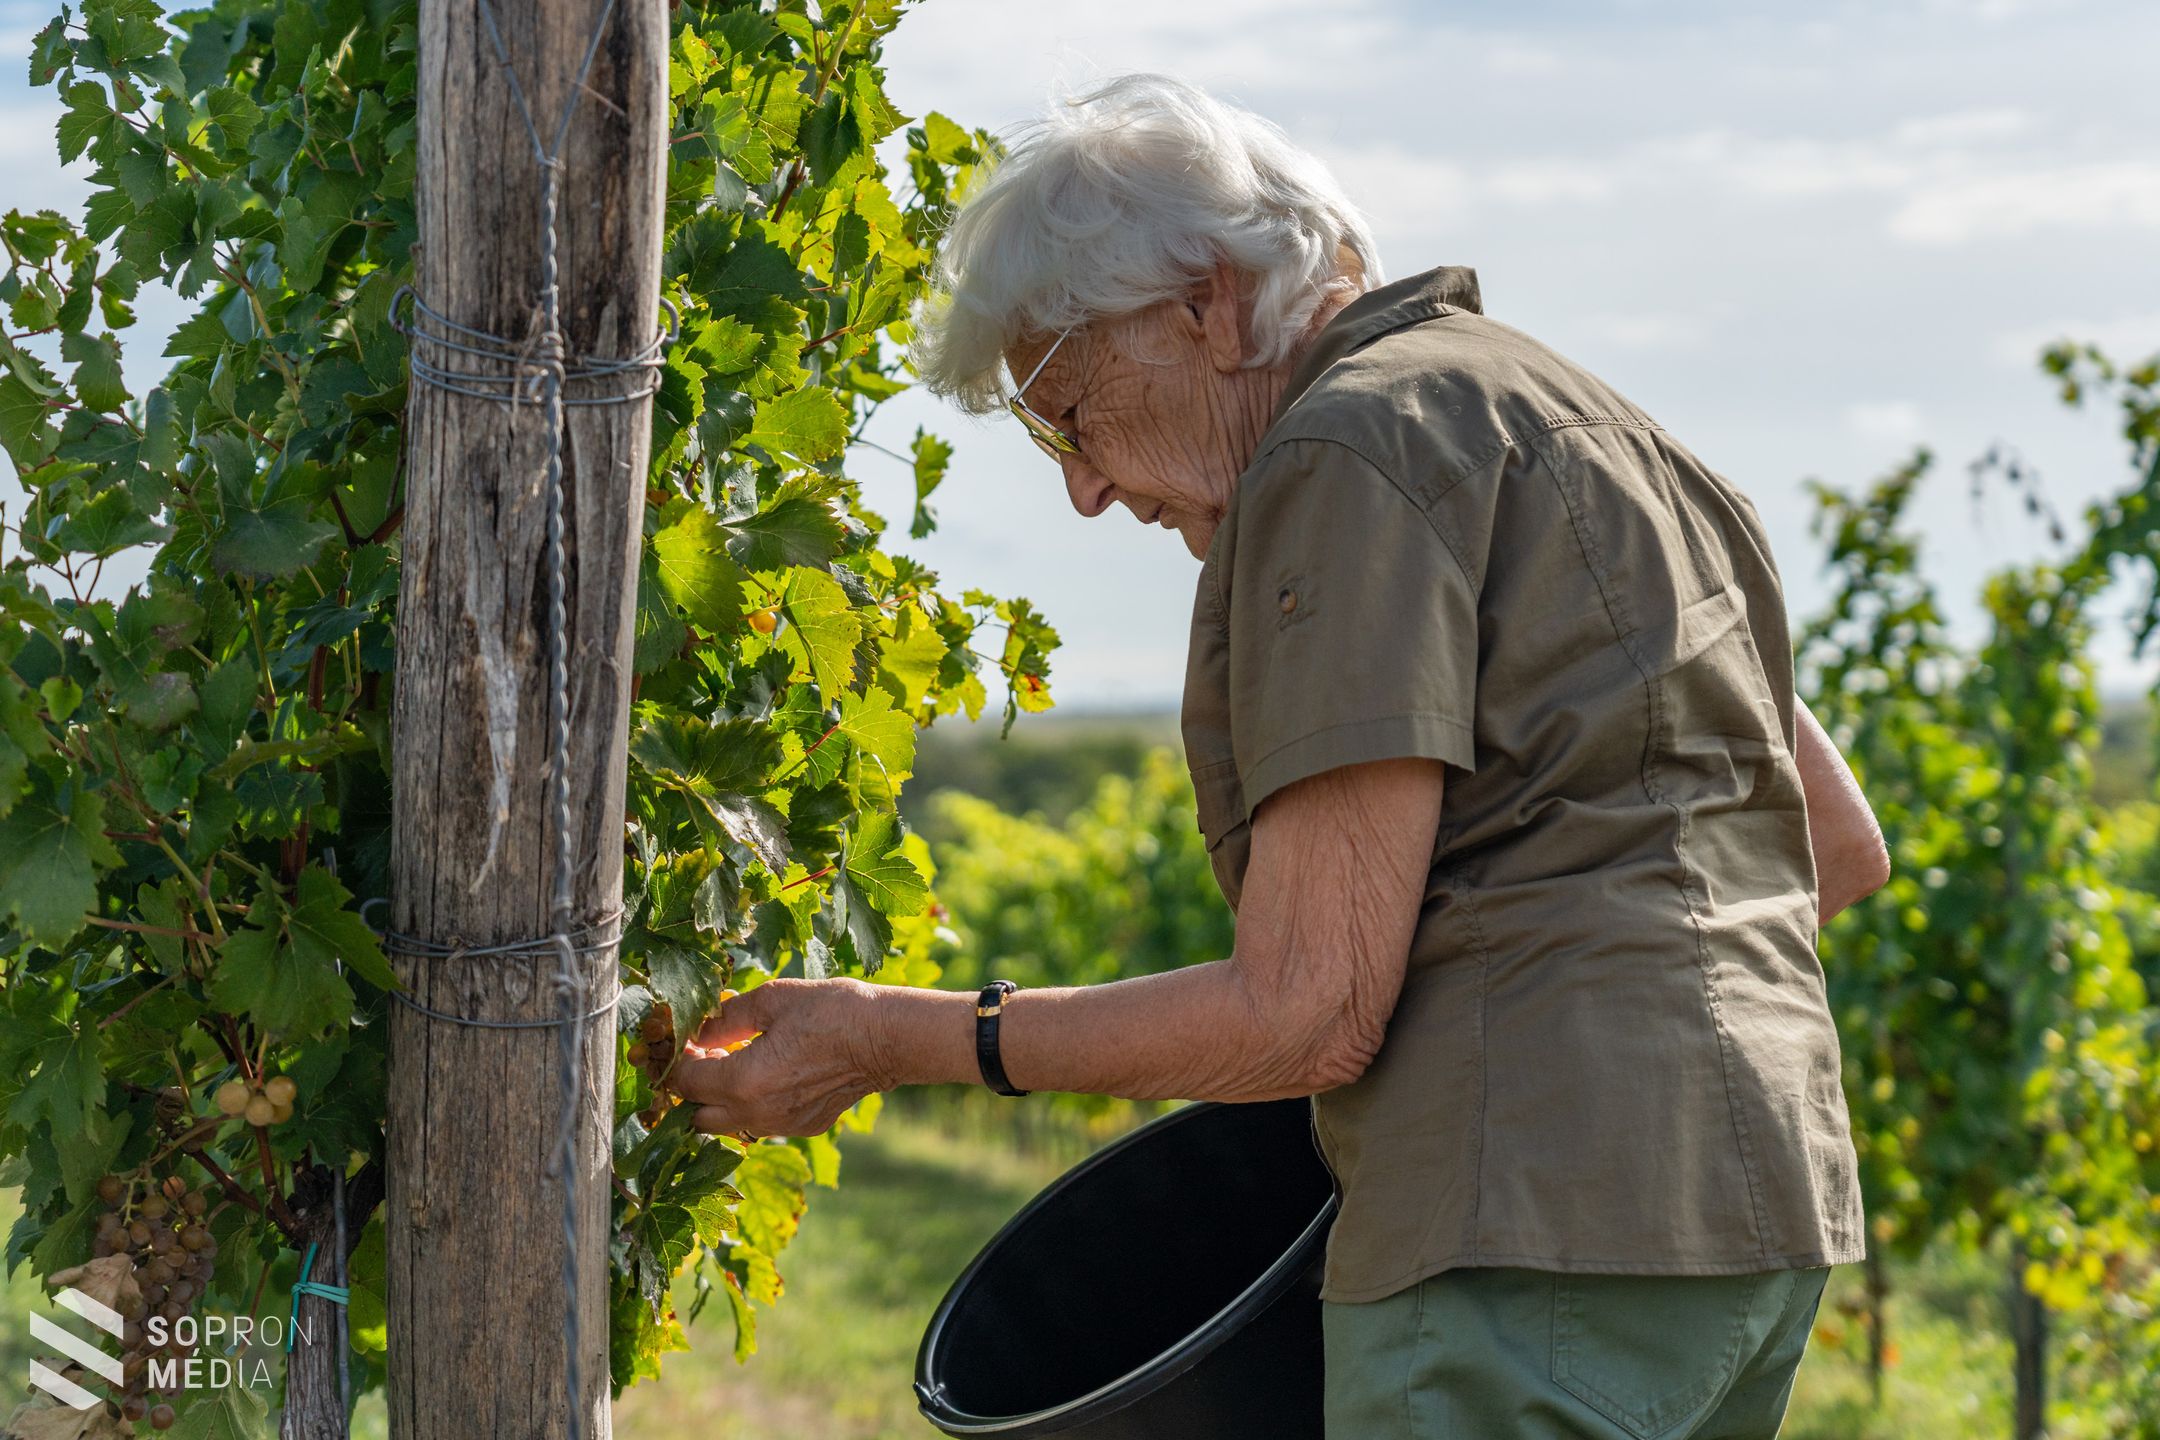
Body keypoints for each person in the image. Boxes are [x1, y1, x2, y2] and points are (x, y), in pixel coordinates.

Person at [670, 73, 1889, 1440]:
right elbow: (1835, 850)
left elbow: (1310, 1007)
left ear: (1205, 302)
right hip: (1754, 1229)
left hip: (1521, 1244)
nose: (1081, 486)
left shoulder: (1346, 448)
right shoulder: (1597, 430)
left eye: (1072, 410)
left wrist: (901, 1036)